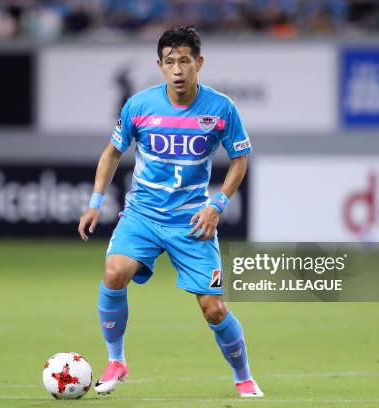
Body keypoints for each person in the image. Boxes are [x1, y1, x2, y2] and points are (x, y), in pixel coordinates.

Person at [78, 25, 263, 398]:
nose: (177, 69)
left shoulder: (221, 108)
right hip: (143, 214)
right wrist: (95, 202)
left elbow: (240, 160)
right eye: (169, 62)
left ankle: (243, 375)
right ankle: (116, 360)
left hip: (192, 220)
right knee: (114, 272)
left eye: (184, 61)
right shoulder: (140, 105)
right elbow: (112, 152)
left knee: (213, 309)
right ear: (159, 66)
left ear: (199, 63)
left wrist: (217, 204)